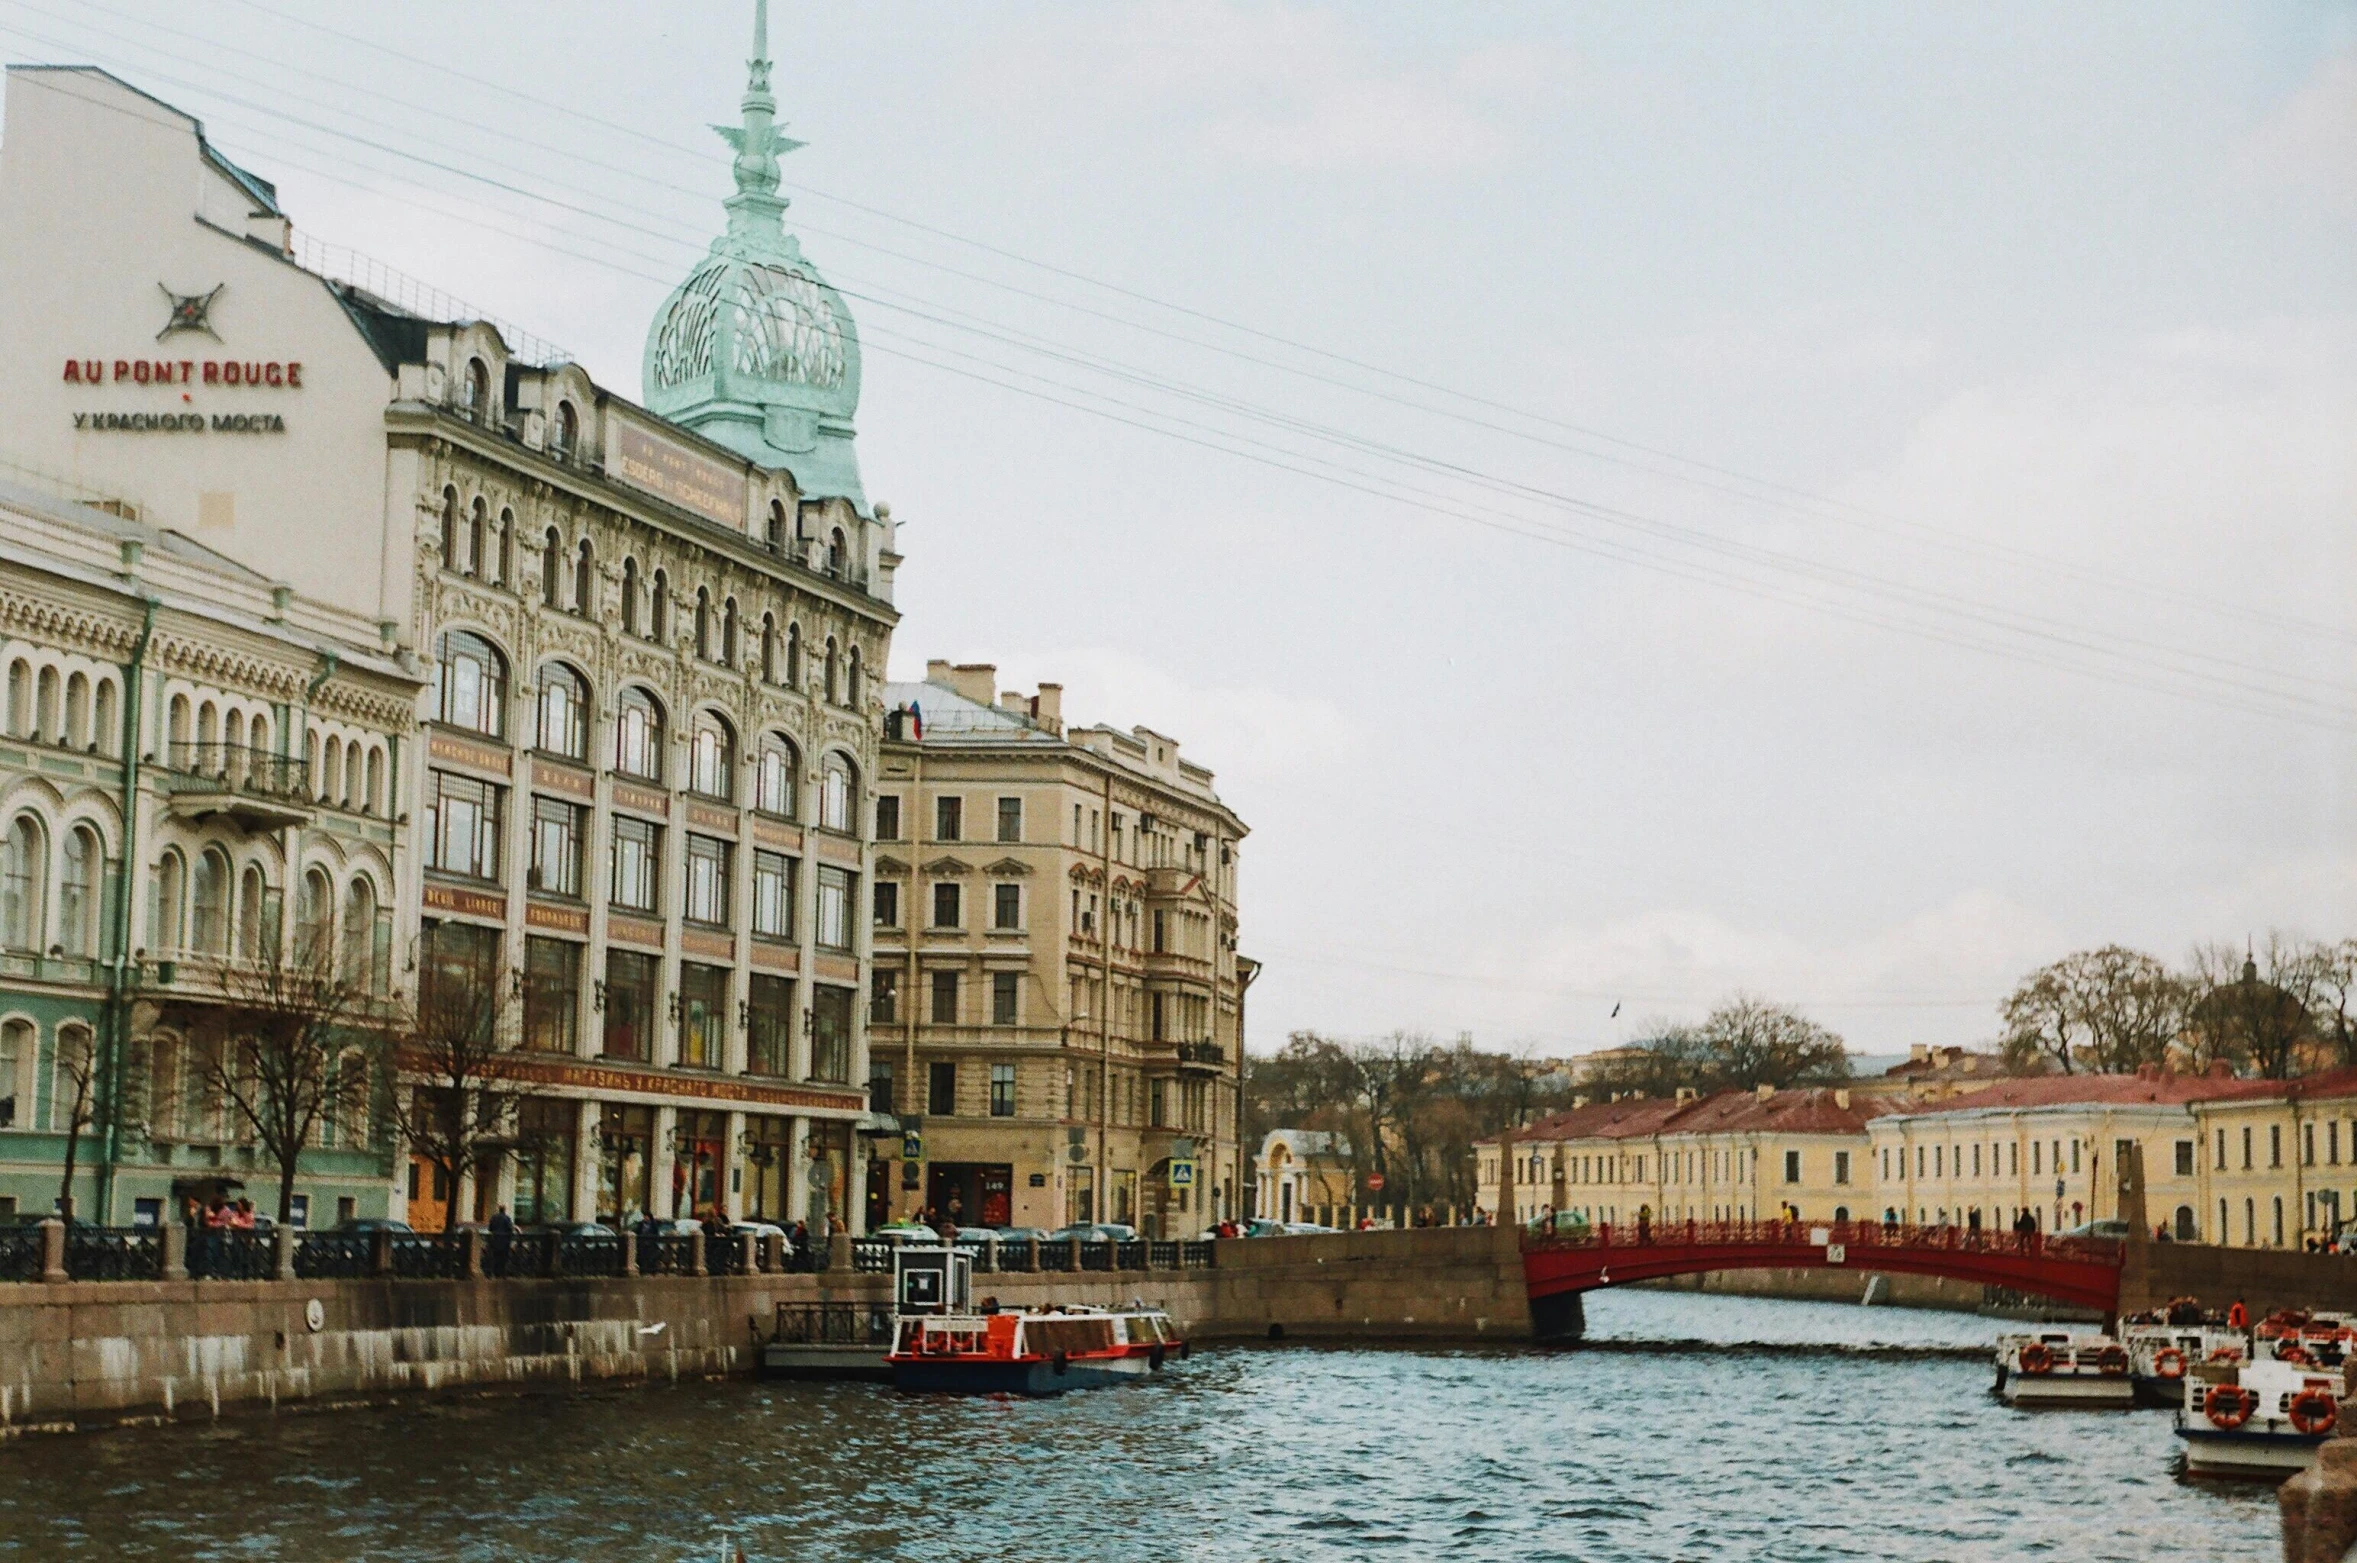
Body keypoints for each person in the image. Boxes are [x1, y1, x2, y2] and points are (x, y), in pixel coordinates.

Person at [487, 1204, 514, 1278]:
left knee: (495, 1257)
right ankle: (502, 1273)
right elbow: (510, 1229)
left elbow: (490, 1228)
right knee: (503, 1258)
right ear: (504, 1210)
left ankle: (495, 1272)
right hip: (504, 1241)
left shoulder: (494, 1218)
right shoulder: (507, 1218)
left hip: (495, 1240)